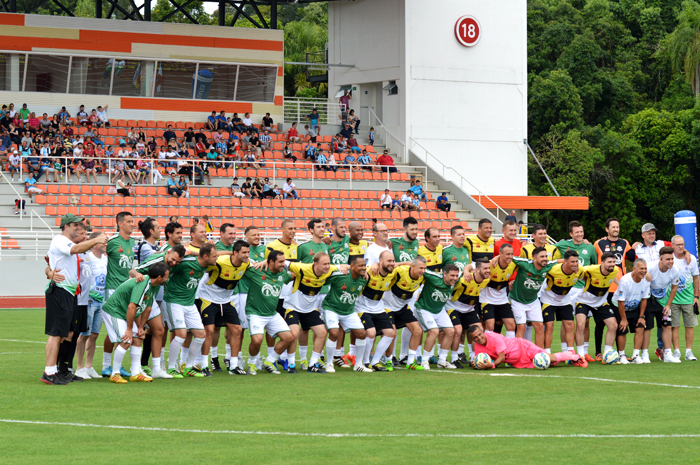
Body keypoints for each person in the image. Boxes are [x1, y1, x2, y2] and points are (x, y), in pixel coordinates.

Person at [42, 214, 107, 385]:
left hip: (70, 292)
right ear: (66, 226)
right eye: (75, 225)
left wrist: (50, 271)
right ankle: (49, 371)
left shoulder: (68, 243)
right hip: (61, 291)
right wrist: (96, 240)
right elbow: (74, 251)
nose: (79, 228)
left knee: (65, 334)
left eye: (80, 225)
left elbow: (55, 261)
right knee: (56, 333)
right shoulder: (60, 240)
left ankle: (60, 370)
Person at [102, 263, 169, 383]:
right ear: (159, 277)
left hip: (123, 312)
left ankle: (135, 373)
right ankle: (115, 374)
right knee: (126, 339)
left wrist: (141, 327)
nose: (167, 279)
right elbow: (132, 306)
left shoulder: (155, 285)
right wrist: (129, 328)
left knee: (138, 338)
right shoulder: (143, 284)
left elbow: (147, 308)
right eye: (166, 276)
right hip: (114, 311)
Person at [162, 243, 218, 378]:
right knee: (181, 334)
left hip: (189, 303)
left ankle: (188, 367)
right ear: (205, 256)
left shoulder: (205, 264)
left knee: (200, 334)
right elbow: (166, 268)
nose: (216, 258)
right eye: (214, 256)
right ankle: (171, 367)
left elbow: (221, 255)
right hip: (174, 301)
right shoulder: (185, 263)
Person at [323, 255, 373, 372]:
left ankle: (358, 365)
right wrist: (338, 267)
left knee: (362, 334)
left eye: (364, 266)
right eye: (360, 265)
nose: (363, 268)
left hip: (349, 311)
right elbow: (323, 279)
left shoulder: (364, 278)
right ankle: (329, 363)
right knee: (334, 333)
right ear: (351, 266)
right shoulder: (340, 275)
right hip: (331, 308)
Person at [554, 220, 597, 355]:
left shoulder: (590, 247)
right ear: (571, 234)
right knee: (566, 321)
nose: (580, 234)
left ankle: (584, 353)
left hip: (584, 289)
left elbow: (594, 266)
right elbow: (547, 250)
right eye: (577, 232)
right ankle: (565, 351)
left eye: (581, 231)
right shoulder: (562, 245)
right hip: (569, 288)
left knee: (585, 322)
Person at [74, 231, 108, 380]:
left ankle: (89, 366)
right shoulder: (87, 258)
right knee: (84, 334)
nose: (105, 244)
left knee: (94, 334)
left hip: (100, 301)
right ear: (94, 243)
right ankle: (79, 367)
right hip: (88, 300)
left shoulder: (105, 259)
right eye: (102, 241)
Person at [470, 326, 587, 369]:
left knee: (547, 359)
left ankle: (573, 355)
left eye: (480, 334)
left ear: (483, 331)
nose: (479, 338)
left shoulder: (494, 337)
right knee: (549, 364)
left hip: (523, 347)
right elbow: (478, 358)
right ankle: (567, 359)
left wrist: (492, 365)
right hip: (518, 361)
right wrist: (475, 364)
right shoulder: (478, 346)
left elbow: (501, 357)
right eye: (475, 338)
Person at [413, 265, 461, 370]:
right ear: (444, 274)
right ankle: (424, 361)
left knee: (450, 331)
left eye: (456, 276)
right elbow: (420, 269)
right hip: (424, 309)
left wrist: (466, 271)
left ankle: (442, 361)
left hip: (439, 310)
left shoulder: (456, 280)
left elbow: (469, 269)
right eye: (452, 275)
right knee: (434, 332)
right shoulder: (434, 277)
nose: (454, 278)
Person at [509, 247, 558, 347]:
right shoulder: (525, 263)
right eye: (542, 257)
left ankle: (538, 354)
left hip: (533, 300)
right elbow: (508, 257)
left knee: (540, 326)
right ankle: (518, 355)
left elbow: (560, 261)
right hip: (518, 300)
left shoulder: (548, 265)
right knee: (521, 327)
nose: (545, 258)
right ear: (534, 258)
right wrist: (496, 258)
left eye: (546, 256)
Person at [574, 252, 619, 360]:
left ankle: (607, 354)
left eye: (613, 262)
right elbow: (578, 270)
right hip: (583, 301)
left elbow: (620, 283)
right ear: (602, 263)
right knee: (580, 325)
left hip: (601, 302)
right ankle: (580, 355)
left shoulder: (615, 270)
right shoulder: (592, 269)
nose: (612, 264)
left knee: (613, 326)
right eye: (609, 262)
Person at [642, 247, 681, 363]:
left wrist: (668, 305)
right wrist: (645, 275)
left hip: (663, 301)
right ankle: (644, 354)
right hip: (648, 299)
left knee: (667, 325)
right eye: (668, 259)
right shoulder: (651, 267)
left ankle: (667, 353)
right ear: (661, 259)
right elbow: (637, 275)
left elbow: (674, 288)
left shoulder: (675, 270)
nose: (671, 261)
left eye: (672, 259)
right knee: (647, 327)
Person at [665, 235, 699, 361]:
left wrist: (696, 296)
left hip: (688, 299)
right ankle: (677, 352)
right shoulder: (669, 258)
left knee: (689, 326)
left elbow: (696, 277)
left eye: (683, 245)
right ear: (672, 245)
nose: (681, 247)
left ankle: (689, 352)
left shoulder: (692, 259)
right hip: (672, 299)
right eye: (678, 245)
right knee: (675, 326)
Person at [540, 250, 581, 354]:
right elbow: (541, 267)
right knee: (549, 325)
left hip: (564, 300)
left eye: (577, 261)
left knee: (570, 324)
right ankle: (547, 353)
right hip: (548, 300)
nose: (575, 264)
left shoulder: (580, 271)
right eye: (572, 262)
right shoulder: (553, 270)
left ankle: (570, 353)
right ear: (565, 261)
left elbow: (590, 273)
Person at [612, 259, 650, 364]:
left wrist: (641, 317)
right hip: (619, 306)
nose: (644, 271)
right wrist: (623, 319)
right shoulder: (625, 281)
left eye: (645, 269)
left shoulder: (646, 281)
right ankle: (621, 356)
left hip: (634, 307)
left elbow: (644, 299)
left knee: (640, 327)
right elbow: (620, 301)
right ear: (634, 269)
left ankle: (635, 356)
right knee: (622, 329)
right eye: (641, 268)